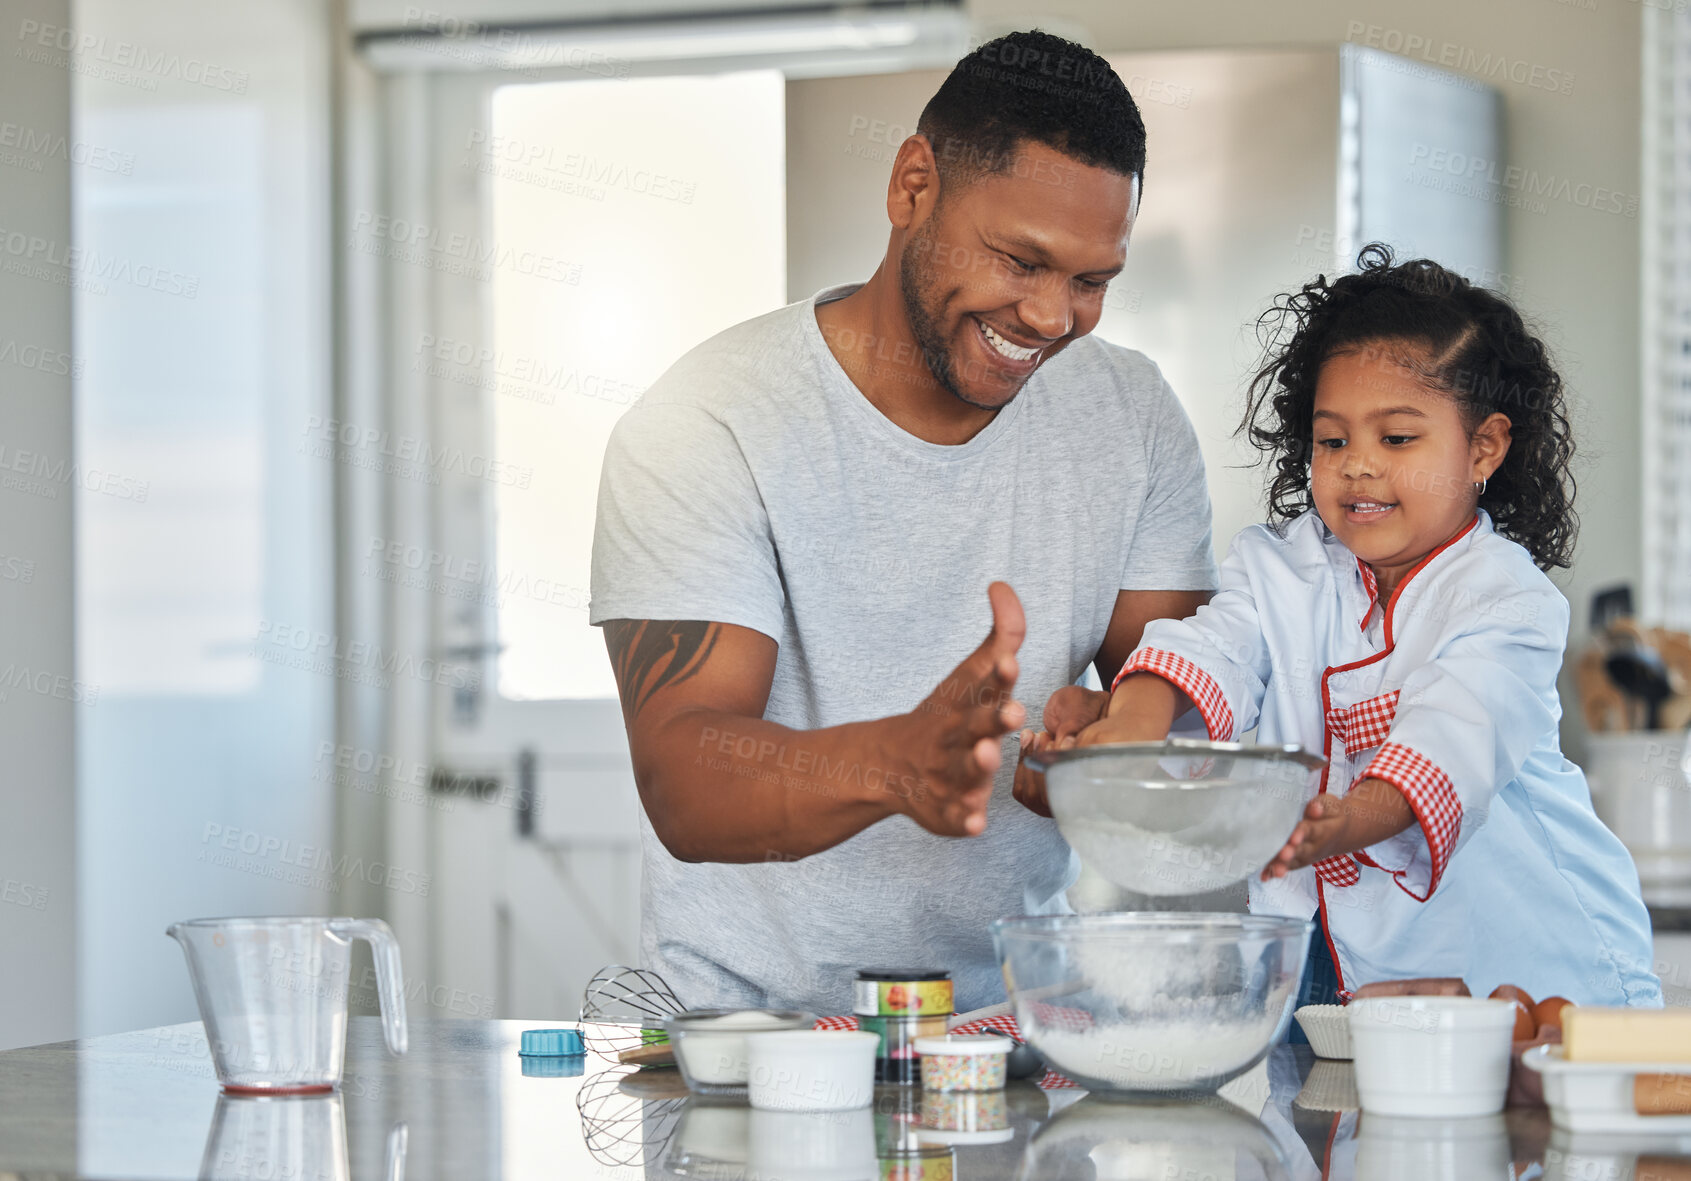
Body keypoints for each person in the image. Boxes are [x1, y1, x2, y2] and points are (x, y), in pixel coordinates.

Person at [589, 30, 1218, 1016]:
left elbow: (1188, 687)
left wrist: (1112, 754)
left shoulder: (1130, 416)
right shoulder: (708, 419)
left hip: (1008, 1031)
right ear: (912, 186)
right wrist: (894, 761)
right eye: (1021, 259)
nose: (1053, 316)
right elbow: (684, 775)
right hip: (747, 1036)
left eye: (1091, 280)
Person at [1050, 245, 1661, 1005]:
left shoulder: (1507, 600)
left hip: (1540, 971)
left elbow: (1453, 736)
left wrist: (1347, 818)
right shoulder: (1283, 565)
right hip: (1355, 983)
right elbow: (1218, 646)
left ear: (1483, 447)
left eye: (1396, 439)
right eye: (1332, 440)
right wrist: (1129, 719)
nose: (1358, 466)